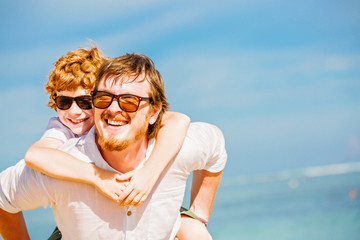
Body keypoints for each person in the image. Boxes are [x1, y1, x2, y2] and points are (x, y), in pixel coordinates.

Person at [0, 53, 227, 239]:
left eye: (128, 101)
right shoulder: (59, 144)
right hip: (68, 214)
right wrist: (97, 176)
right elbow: (30, 162)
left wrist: (197, 213)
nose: (75, 112)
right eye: (64, 102)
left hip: (163, 204)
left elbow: (193, 130)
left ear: (153, 112)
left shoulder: (171, 139)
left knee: (196, 233)